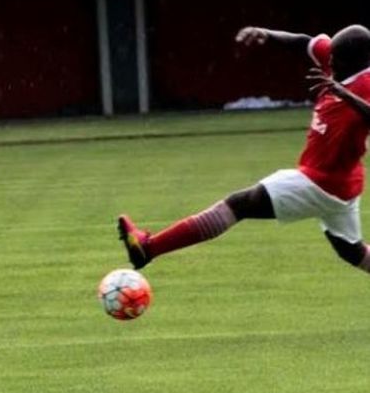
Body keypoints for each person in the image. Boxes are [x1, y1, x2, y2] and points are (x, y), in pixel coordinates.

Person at [117, 24, 370, 276]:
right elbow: (303, 41)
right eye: (331, 57)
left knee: (239, 204)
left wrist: (345, 95)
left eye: (337, 60)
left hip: (320, 181)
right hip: (344, 183)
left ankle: (147, 249)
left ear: (357, 62)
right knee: (351, 251)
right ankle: (147, 249)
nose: (330, 63)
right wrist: (268, 34)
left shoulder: (366, 85)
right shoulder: (337, 57)